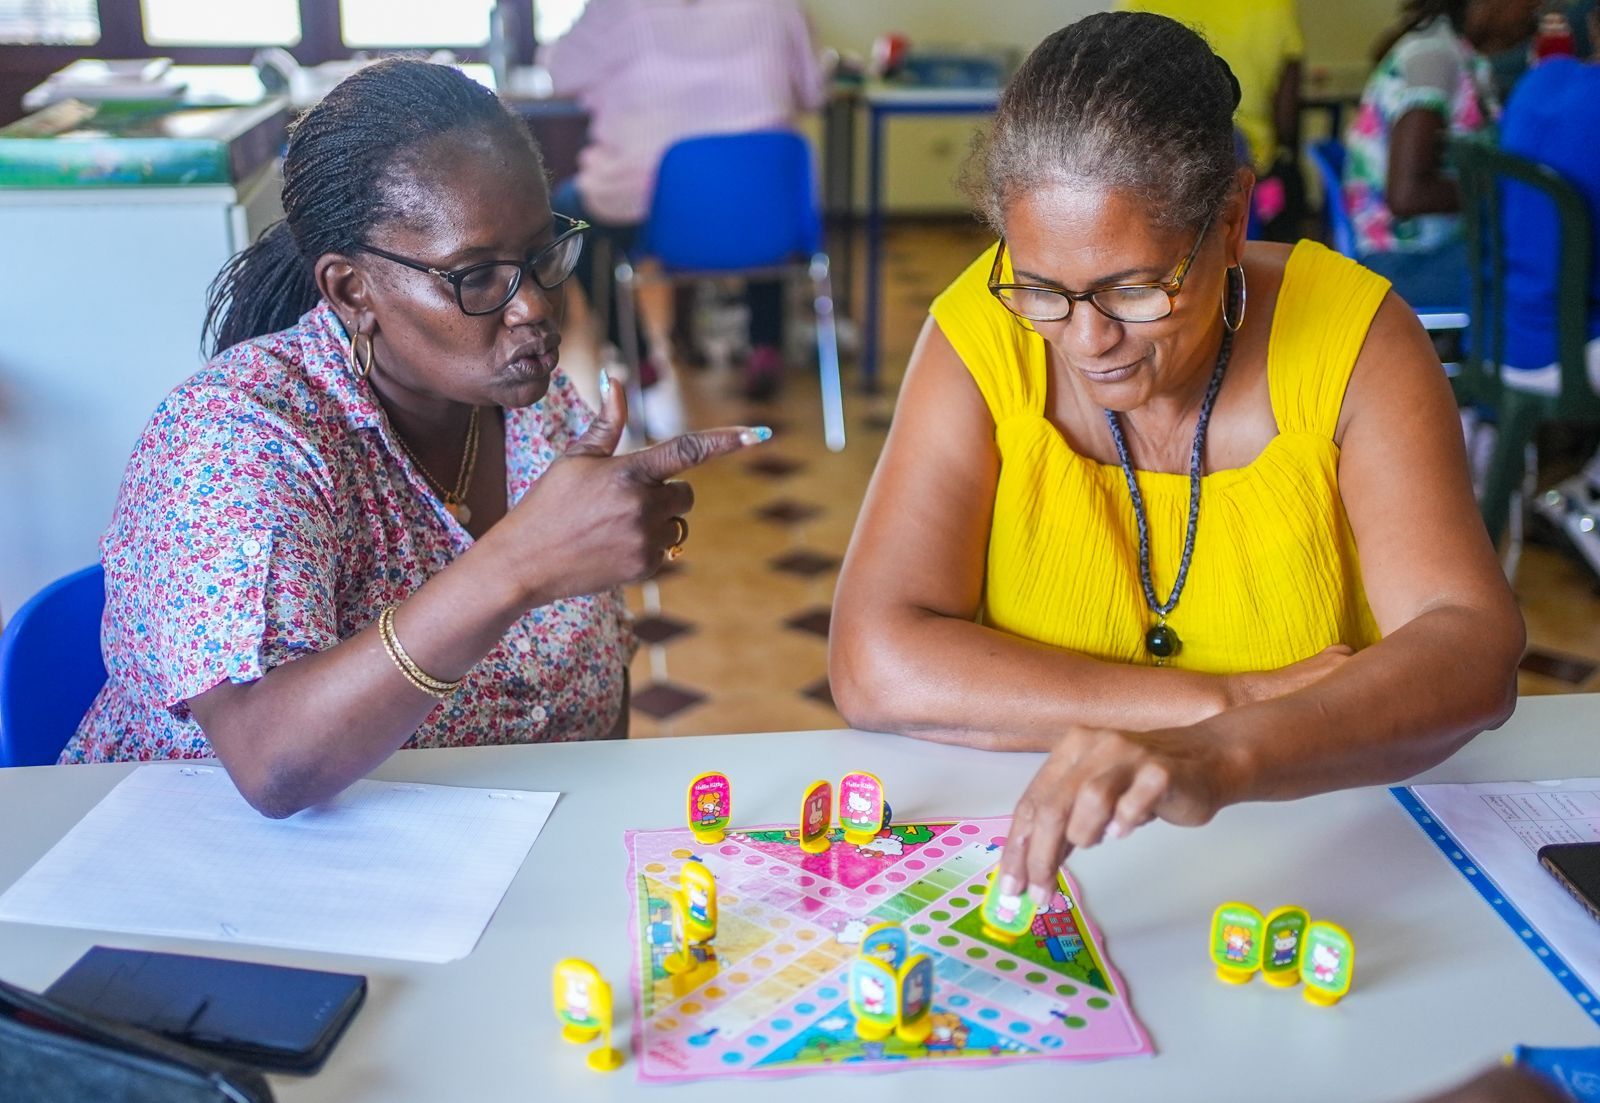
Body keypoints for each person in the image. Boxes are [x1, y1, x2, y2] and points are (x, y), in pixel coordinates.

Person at [827, 13, 1523, 897]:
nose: (1086, 339)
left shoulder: (1355, 340)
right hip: (1054, 873)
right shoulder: (983, 333)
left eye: (1133, 287)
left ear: (1230, 222)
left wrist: (1222, 758)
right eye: (1042, 286)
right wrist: (1225, 701)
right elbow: (873, 660)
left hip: (1319, 867)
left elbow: (1471, 642)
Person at [60, 60, 770, 818]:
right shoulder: (238, 438)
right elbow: (271, 763)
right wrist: (520, 564)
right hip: (197, 882)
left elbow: (595, 682)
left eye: (540, 255)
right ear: (350, 290)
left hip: (486, 875)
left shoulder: (534, 405)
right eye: (475, 275)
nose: (531, 304)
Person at [540, 0, 826, 403]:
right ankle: (765, 346)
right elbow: (813, 91)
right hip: (765, 211)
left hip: (649, 207)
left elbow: (559, 73)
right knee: (750, 201)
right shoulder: (778, 7)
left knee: (568, 216)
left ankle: (635, 353)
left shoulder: (617, 10)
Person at [1343, 0, 1540, 309]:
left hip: (1438, 251)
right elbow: (1407, 194)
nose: (1537, 9)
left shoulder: (1457, 52)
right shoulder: (1434, 58)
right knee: (1552, 266)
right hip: (1405, 264)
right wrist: (1509, 190)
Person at [1498, 28, 1600, 578]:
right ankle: (1589, 498)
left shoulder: (1540, 82)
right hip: (1563, 345)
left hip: (1505, 328)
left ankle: (1582, 498)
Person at [1116, 0, 1305, 237]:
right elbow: (1286, 108)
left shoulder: (1137, 3)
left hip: (1153, 161)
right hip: (1246, 163)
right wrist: (1285, 153)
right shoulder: (1274, 5)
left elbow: (1121, 79)